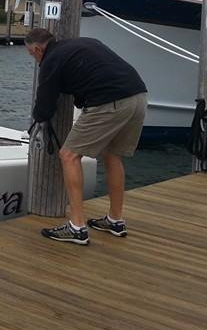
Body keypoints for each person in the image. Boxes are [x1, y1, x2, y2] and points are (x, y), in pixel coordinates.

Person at [25, 27, 147, 245]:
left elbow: (44, 105)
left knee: (69, 155)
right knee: (112, 154)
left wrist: (38, 119)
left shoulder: (51, 60)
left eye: (31, 55)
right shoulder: (82, 44)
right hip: (138, 96)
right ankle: (115, 220)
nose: (34, 59)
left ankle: (77, 226)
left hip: (110, 101)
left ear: (37, 49)